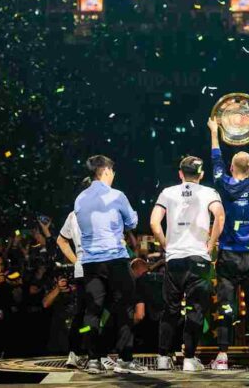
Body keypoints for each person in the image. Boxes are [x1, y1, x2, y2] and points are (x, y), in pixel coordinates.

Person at [149, 155, 225, 372]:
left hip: (175, 259)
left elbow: (154, 222)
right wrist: (210, 245)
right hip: (198, 258)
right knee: (196, 310)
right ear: (201, 174)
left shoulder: (167, 192)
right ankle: (190, 359)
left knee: (170, 309)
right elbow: (219, 217)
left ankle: (163, 357)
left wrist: (166, 245)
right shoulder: (209, 192)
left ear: (180, 173)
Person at [73, 155, 146, 374]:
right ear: (105, 170)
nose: (113, 176)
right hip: (114, 259)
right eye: (112, 172)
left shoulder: (80, 199)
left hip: (91, 263)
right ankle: (125, 360)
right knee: (124, 308)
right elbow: (132, 222)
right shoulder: (117, 195)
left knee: (92, 312)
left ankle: (93, 360)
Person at [208, 111, 249, 370]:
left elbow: (215, 159)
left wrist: (214, 131)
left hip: (229, 255)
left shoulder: (223, 183)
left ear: (231, 169)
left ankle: (222, 356)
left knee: (226, 307)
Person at [56, 208, 86, 368]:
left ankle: (74, 354)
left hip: (82, 269)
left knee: (81, 313)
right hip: (98, 267)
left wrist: (77, 261)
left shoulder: (73, 214)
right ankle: (98, 355)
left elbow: (60, 240)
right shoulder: (98, 209)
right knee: (101, 312)